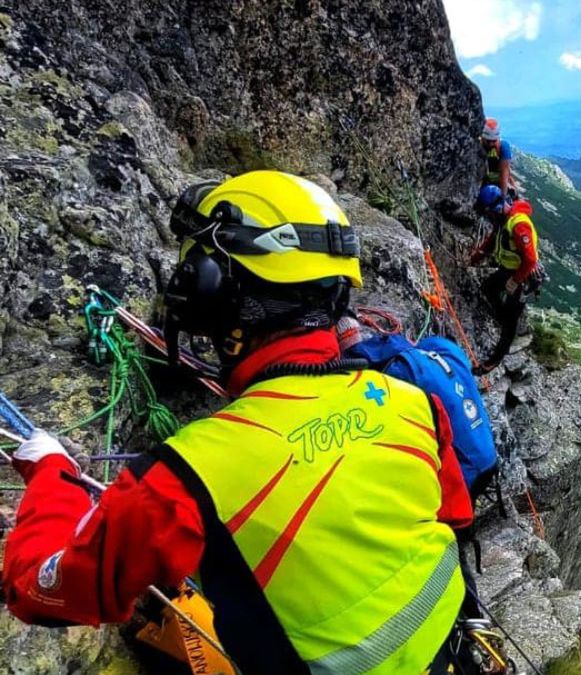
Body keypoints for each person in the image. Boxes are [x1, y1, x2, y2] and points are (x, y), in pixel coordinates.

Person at [2, 171, 474, 674]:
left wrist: (51, 474)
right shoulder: (411, 402)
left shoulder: (183, 478)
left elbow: (37, 589)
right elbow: (455, 518)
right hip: (455, 657)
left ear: (211, 289)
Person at [468, 185, 541, 376]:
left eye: (489, 213)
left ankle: (494, 360)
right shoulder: (503, 220)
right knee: (488, 287)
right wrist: (473, 260)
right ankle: (501, 317)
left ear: (497, 207)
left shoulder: (518, 225)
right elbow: (491, 242)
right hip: (510, 270)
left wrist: (515, 281)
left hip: (522, 277)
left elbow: (530, 259)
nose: (489, 217)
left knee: (510, 320)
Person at [480, 117, 514, 198]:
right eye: (488, 141)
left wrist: (502, 198)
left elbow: (504, 174)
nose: (491, 144)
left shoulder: (503, 147)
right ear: (482, 137)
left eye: (494, 141)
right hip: (483, 183)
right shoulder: (477, 146)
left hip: (498, 182)